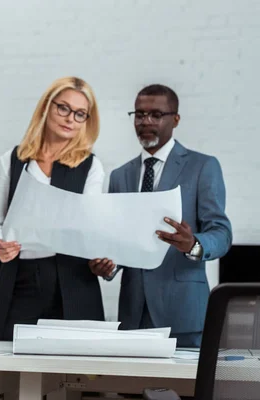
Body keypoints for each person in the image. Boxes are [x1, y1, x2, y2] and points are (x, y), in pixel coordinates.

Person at [89, 84, 232, 348]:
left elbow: (221, 233)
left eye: (156, 114)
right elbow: (118, 241)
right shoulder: (120, 176)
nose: (146, 121)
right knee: (132, 390)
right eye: (140, 114)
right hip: (133, 315)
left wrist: (194, 244)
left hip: (184, 312)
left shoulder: (202, 166)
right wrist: (108, 266)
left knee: (187, 390)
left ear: (175, 119)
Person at [0, 77, 106, 341]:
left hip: (72, 281)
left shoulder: (91, 166)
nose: (70, 118)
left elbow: (90, 227)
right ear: (47, 106)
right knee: (0, 353)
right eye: (64, 108)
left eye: (80, 114)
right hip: (20, 279)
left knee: (72, 368)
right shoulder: (13, 160)